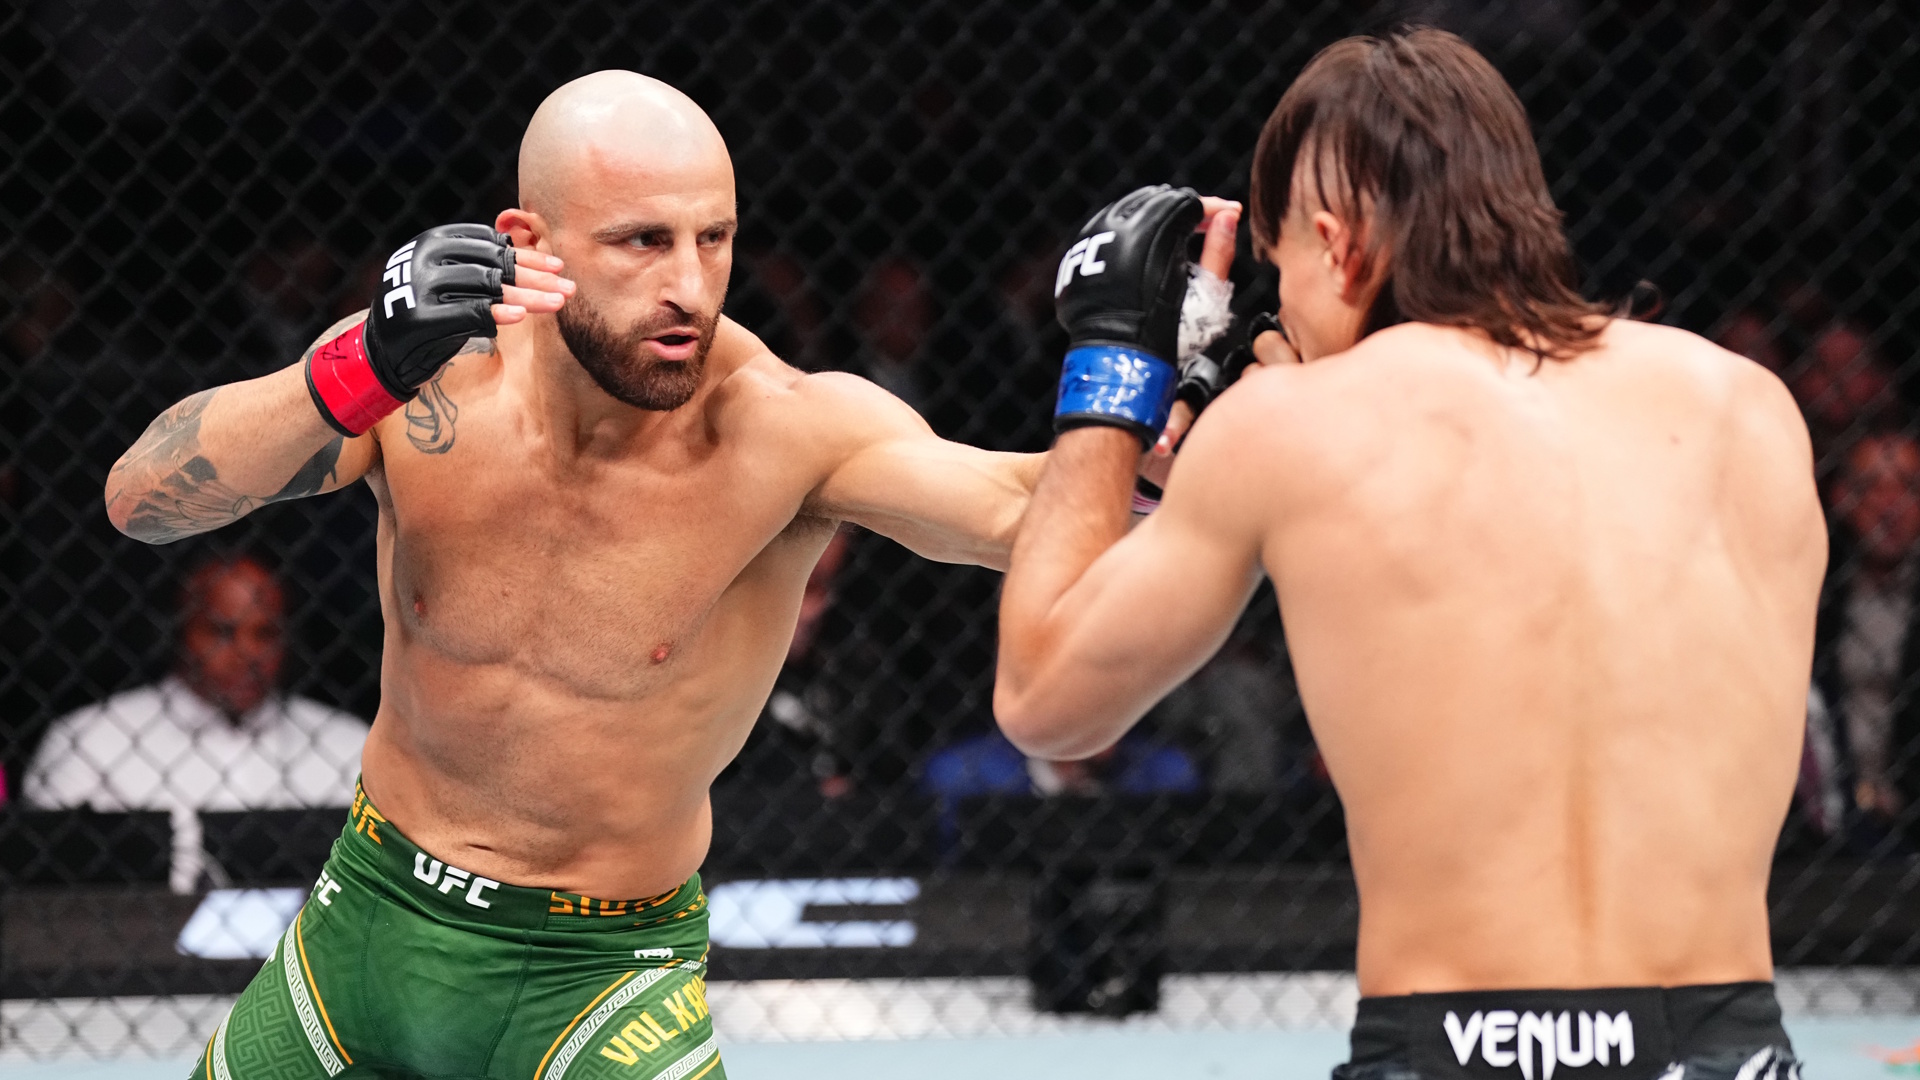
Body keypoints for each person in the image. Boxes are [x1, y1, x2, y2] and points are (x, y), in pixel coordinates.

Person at [104, 72, 1042, 1080]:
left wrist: (1136, 413)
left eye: (715, 239)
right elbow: (142, 498)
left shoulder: (785, 427)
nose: (691, 286)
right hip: (366, 922)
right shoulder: (426, 374)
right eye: (644, 241)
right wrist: (358, 366)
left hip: (596, 978)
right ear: (530, 243)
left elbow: (1018, 509)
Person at [995, 29, 1824, 1080]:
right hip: (1720, 1046)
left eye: (1280, 272)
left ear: (1336, 244)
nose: (1281, 314)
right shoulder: (1750, 409)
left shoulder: (1291, 428)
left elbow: (1045, 700)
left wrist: (1111, 363)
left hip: (1451, 1049)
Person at [23, 554, 367, 892]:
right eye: (222, 632)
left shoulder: (350, 745)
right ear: (177, 631)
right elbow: (45, 890)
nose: (247, 654)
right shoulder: (89, 740)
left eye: (265, 633)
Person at [1813, 431, 1920, 850]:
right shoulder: (1815, 592)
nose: (1889, 505)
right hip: (1826, 824)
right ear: (1842, 497)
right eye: (1872, 486)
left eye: (1906, 487)